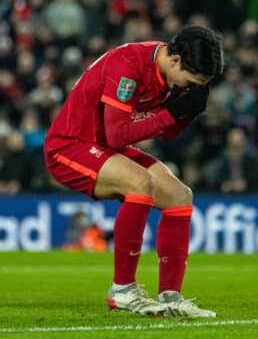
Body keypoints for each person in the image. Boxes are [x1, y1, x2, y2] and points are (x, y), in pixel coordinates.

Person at [44, 26, 223, 317]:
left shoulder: (169, 74)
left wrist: (187, 113)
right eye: (192, 82)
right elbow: (117, 135)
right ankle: (123, 289)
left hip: (104, 147)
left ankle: (170, 298)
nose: (190, 88)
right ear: (175, 60)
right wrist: (172, 112)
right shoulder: (128, 66)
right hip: (70, 146)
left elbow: (167, 135)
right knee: (140, 182)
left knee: (180, 195)